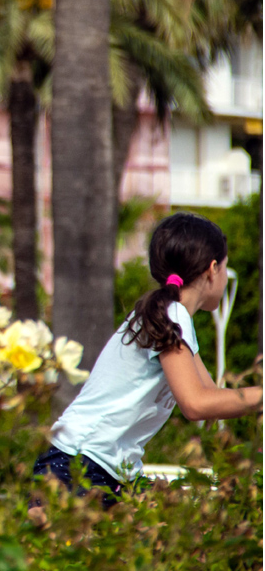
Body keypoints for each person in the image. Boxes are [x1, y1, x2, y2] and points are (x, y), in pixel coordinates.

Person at [32, 212, 263, 510]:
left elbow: (213, 402)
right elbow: (195, 404)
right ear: (213, 268)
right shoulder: (172, 315)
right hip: (80, 464)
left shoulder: (168, 316)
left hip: (93, 465)